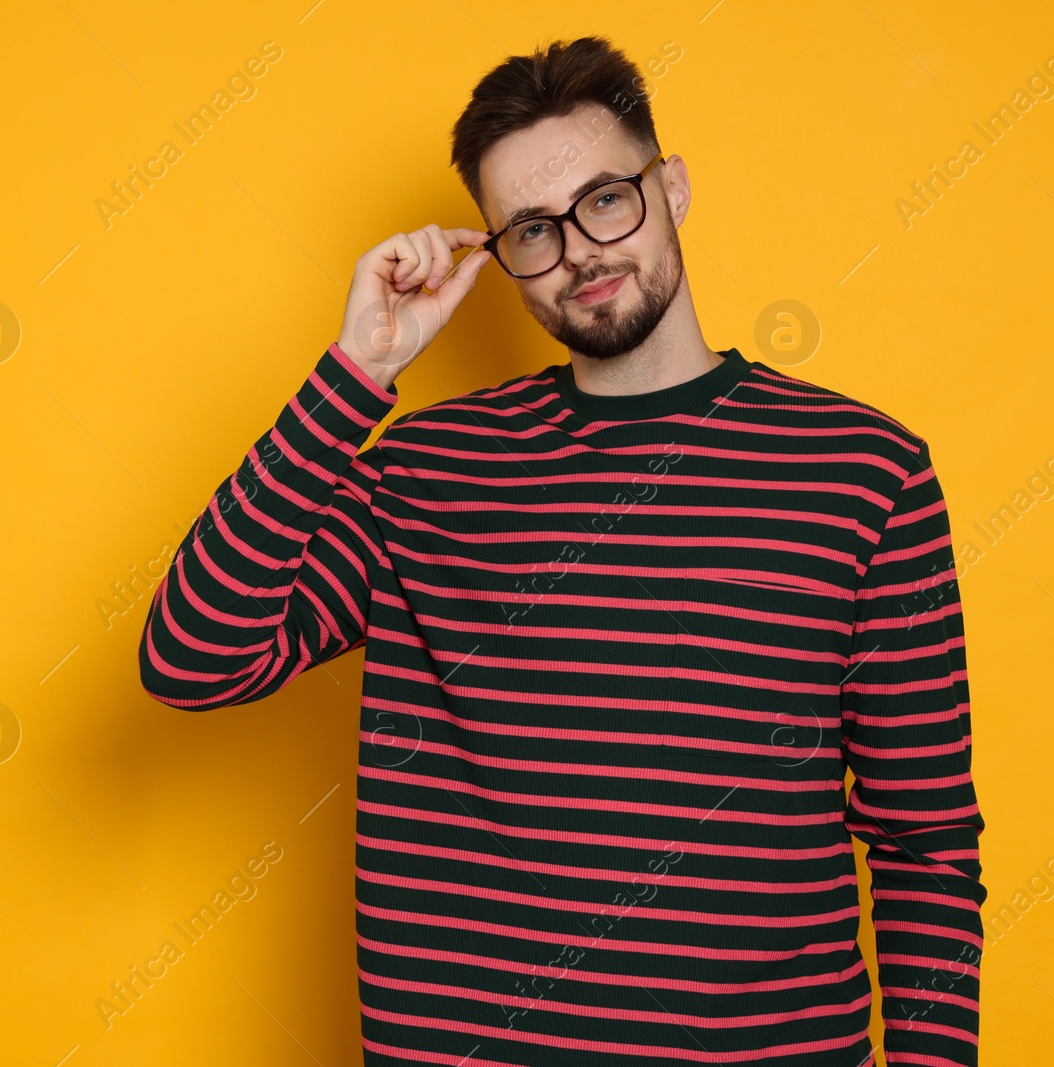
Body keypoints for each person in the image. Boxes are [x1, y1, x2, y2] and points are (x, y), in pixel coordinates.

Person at [139, 34, 986, 1067]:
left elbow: (924, 842)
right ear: (495, 256)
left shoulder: (862, 469)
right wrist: (357, 371)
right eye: (530, 230)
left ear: (669, 187)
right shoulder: (426, 467)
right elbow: (193, 658)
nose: (580, 251)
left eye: (606, 200)